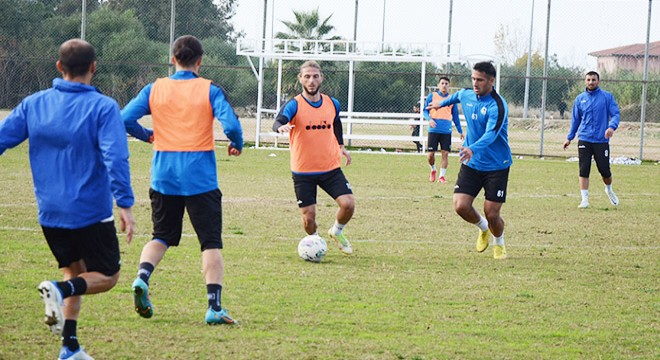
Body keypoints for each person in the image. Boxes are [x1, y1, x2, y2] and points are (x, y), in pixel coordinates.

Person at [0, 39, 135, 360]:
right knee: (107, 276)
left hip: (50, 213)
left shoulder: (34, 104)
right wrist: (125, 204)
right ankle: (58, 292)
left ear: (59, 67)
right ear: (94, 67)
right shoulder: (103, 107)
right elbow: (116, 158)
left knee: (75, 273)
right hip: (89, 212)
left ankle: (69, 347)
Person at [122, 35, 243, 325]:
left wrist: (147, 135)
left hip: (164, 175)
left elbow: (124, 117)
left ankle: (142, 277)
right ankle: (214, 307)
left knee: (161, 235)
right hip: (200, 176)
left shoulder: (155, 88)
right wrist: (236, 142)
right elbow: (232, 125)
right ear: (200, 61)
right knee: (210, 242)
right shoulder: (209, 89)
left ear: (173, 60)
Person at [427, 62, 512, 260]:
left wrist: (472, 148)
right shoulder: (466, 94)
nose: (475, 83)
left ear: (491, 81)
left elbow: (491, 134)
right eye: (473, 79)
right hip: (471, 163)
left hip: (497, 165)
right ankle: (483, 229)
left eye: (480, 80)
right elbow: (456, 97)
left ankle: (499, 241)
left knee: (492, 213)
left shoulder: (497, 105)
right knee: (460, 206)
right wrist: (441, 104)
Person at [273, 60, 355, 255]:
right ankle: (316, 244)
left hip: (330, 167)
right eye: (307, 76)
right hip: (303, 171)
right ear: (300, 79)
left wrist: (341, 146)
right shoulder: (294, 104)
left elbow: (336, 122)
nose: (311, 80)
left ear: (321, 78)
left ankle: (337, 231)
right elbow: (278, 120)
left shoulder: (332, 103)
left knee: (348, 204)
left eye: (315, 76)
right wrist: (280, 127)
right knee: (309, 218)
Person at [563, 71, 620, 209]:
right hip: (584, 139)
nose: (591, 82)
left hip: (601, 140)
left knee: (605, 171)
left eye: (593, 80)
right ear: (585, 81)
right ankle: (584, 200)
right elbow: (575, 120)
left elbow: (616, 114)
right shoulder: (580, 99)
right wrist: (569, 137)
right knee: (584, 169)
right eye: (588, 80)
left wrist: (611, 127)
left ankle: (609, 189)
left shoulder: (607, 97)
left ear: (598, 81)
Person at [423, 77, 464, 183]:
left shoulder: (451, 100)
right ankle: (433, 169)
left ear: (449, 86)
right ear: (438, 85)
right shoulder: (432, 96)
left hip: (446, 130)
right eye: (442, 83)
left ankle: (441, 176)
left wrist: (460, 131)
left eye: (446, 83)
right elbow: (425, 111)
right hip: (434, 130)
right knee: (430, 155)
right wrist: (429, 119)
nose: (444, 85)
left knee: (445, 154)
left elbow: (455, 117)